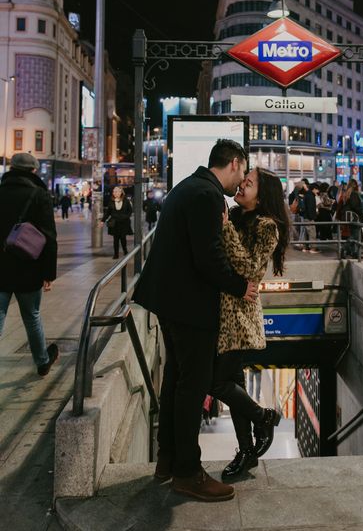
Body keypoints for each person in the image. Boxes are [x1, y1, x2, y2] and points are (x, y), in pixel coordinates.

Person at [133, 139, 258, 502]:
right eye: (242, 171)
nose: (239, 184)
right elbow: (209, 257)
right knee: (193, 384)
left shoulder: (187, 186)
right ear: (234, 163)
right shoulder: (208, 196)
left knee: (176, 379)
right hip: (189, 305)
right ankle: (188, 472)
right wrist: (240, 286)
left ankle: (168, 459)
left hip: (168, 300)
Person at [211, 167, 290, 481]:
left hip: (240, 321)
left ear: (263, 194)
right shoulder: (234, 214)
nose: (243, 183)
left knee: (214, 383)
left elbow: (250, 267)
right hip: (222, 313)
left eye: (250, 182)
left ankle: (264, 416)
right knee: (234, 384)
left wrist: (227, 230)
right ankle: (246, 453)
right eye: (243, 179)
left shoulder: (267, 226)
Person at [0, 153, 59, 376]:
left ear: (12, 168)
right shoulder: (39, 195)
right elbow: (49, 237)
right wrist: (48, 274)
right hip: (29, 267)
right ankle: (42, 361)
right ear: (33, 171)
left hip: (1, 267)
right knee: (31, 316)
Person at [101, 186, 133, 259]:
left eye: (116, 191)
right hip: (115, 223)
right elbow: (108, 212)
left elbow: (130, 211)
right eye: (113, 191)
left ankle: (125, 251)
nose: (114, 193)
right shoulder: (111, 201)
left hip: (124, 222)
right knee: (115, 239)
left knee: (123, 238)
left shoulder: (126, 201)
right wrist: (102, 221)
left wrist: (125, 216)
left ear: (120, 192)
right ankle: (116, 254)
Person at [339, 178, 363, 258]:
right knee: (355, 235)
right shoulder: (354, 194)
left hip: (349, 217)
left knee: (353, 234)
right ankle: (344, 248)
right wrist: (360, 212)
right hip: (354, 217)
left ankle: (354, 253)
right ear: (355, 186)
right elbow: (355, 206)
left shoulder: (347, 193)